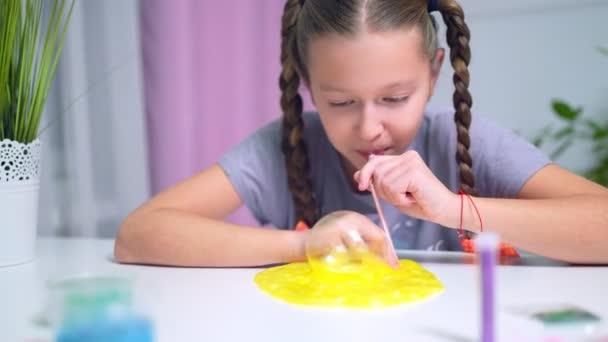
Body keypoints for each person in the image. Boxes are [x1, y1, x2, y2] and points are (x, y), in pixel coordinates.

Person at [114, 0, 608, 267]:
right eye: (341, 102)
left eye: (395, 98)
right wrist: (304, 246)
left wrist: (451, 208)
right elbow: (139, 236)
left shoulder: (467, 143)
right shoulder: (286, 148)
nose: (370, 127)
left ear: (435, 74)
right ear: (307, 85)